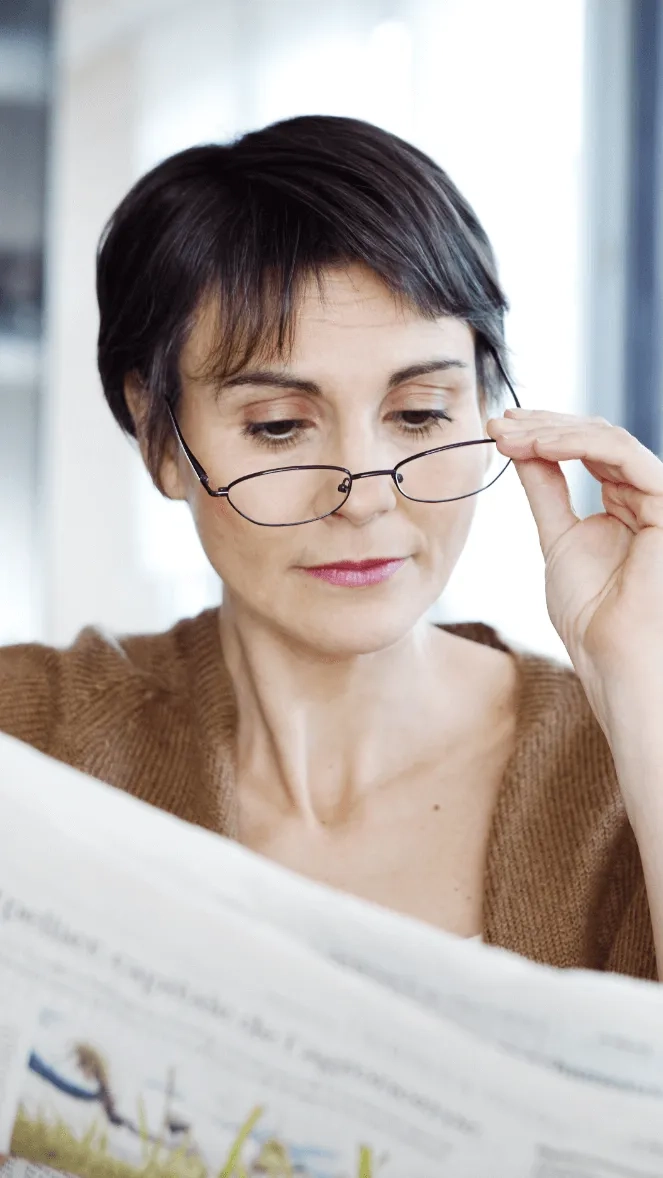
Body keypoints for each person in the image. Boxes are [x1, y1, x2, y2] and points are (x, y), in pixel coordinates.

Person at [1, 114, 663, 981]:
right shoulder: (32, 741)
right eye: (279, 427)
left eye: (418, 414)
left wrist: (644, 690)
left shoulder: (625, 767)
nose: (366, 494)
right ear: (161, 439)